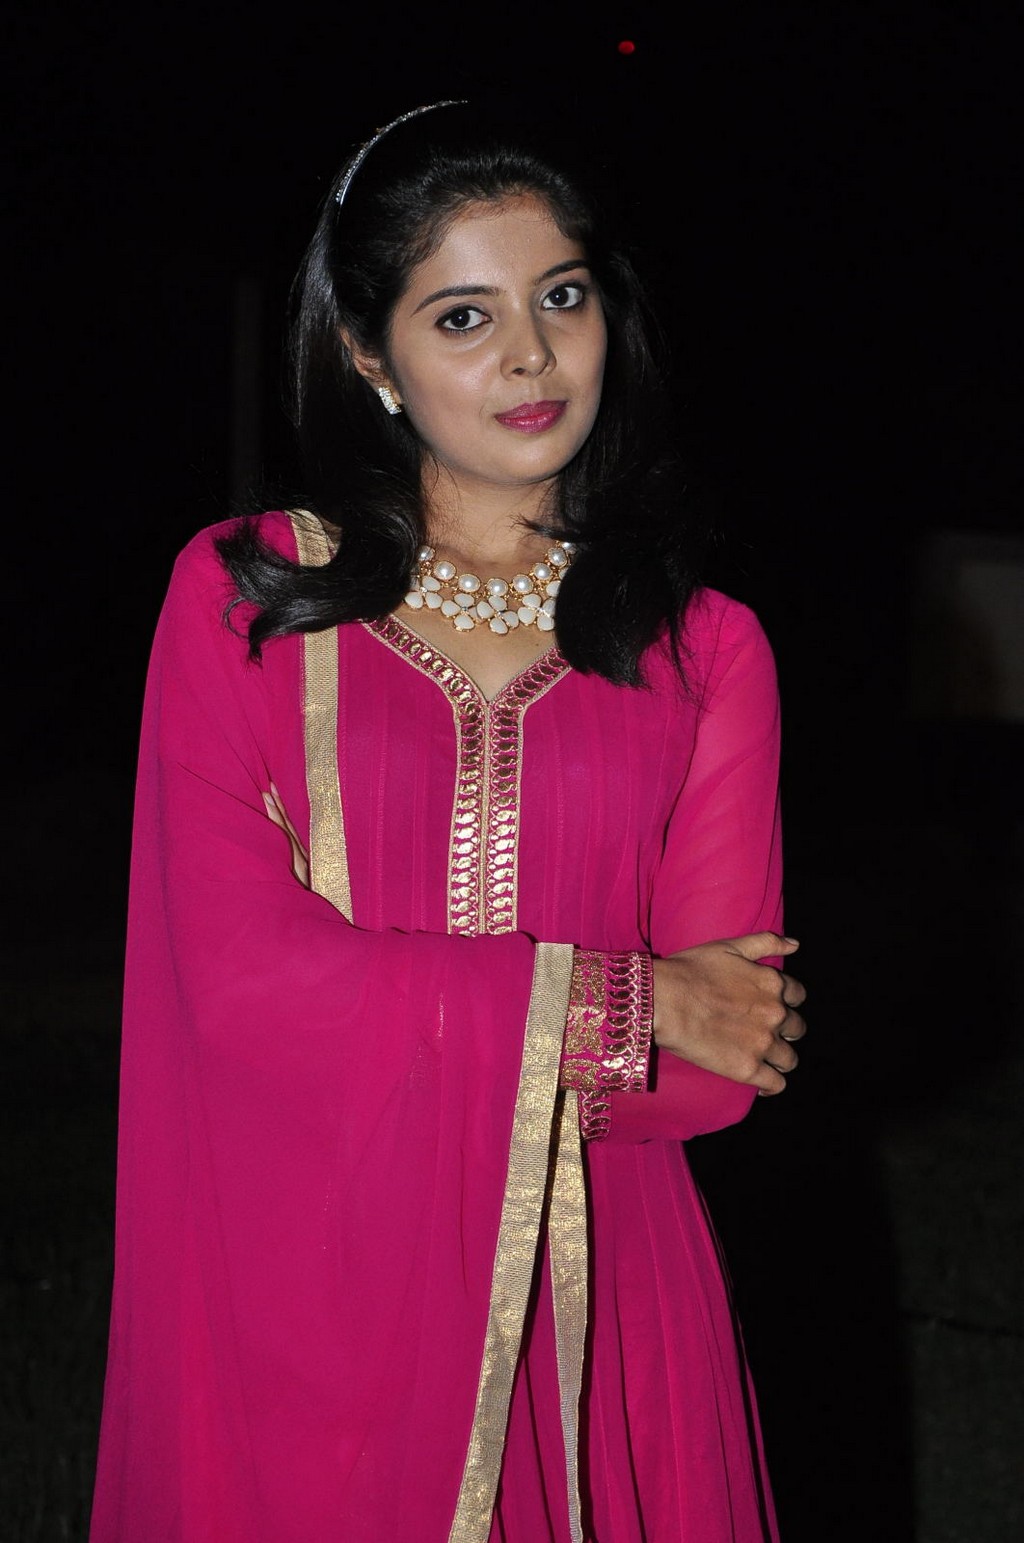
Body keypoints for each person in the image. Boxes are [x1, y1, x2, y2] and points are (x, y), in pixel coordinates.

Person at [90, 100, 806, 1543]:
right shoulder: (246, 598)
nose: (532, 356)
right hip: (311, 1288)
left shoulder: (703, 647)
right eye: (464, 317)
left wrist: (601, 1025)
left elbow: (718, 1059)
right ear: (370, 356)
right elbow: (231, 981)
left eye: (563, 298)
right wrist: (620, 1001)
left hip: (600, 1301)